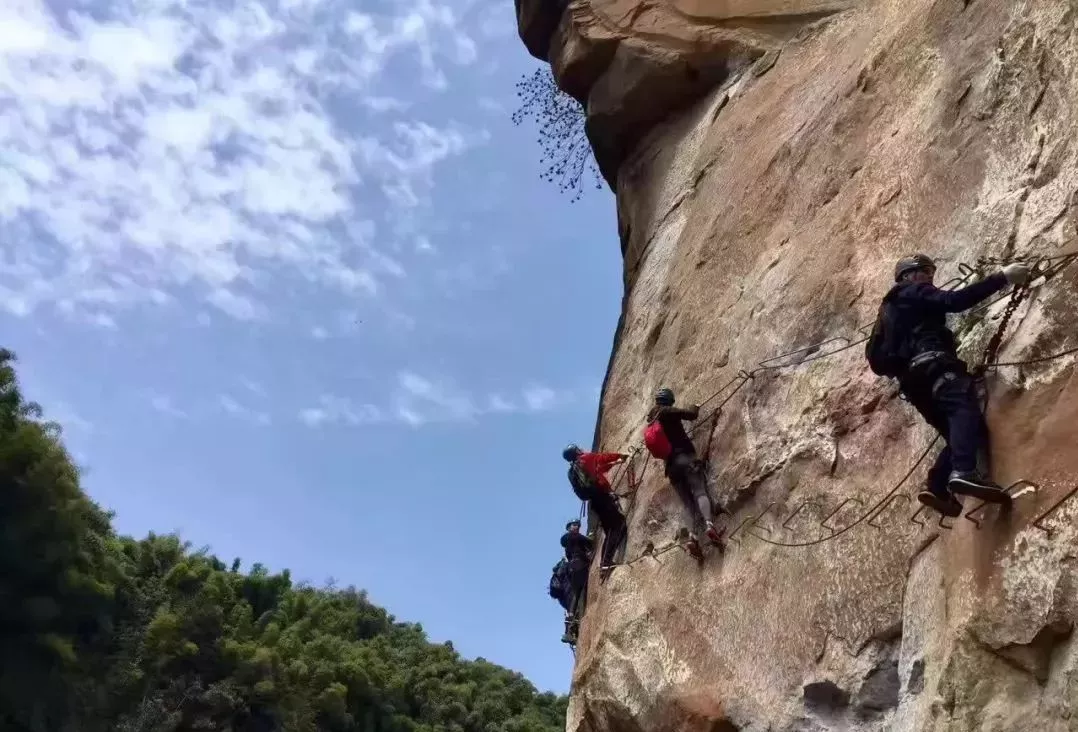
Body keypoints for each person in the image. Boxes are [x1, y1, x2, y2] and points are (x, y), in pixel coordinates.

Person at [868, 253, 1029, 516]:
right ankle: (964, 471)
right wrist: (1002, 278)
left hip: (914, 385)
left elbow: (879, 363)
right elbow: (953, 301)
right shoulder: (911, 291)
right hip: (935, 368)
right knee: (963, 411)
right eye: (925, 270)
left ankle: (937, 487)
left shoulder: (886, 315)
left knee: (960, 432)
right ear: (908, 276)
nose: (931, 276)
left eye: (932, 270)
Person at [644, 387, 725, 558]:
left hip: (671, 468)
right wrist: (695, 406)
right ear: (669, 400)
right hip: (685, 459)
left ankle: (692, 537)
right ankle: (710, 526)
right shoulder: (667, 411)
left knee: (688, 505)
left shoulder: (652, 419)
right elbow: (691, 414)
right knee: (700, 491)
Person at [563, 444, 628, 570]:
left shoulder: (573, 471)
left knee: (610, 529)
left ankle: (605, 560)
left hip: (594, 502)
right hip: (602, 497)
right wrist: (619, 455)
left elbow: (597, 470)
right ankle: (606, 561)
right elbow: (602, 458)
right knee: (618, 525)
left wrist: (615, 463)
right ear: (576, 451)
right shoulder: (585, 458)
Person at [559, 519, 592, 644]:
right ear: (569, 528)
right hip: (579, 565)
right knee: (581, 590)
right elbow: (589, 542)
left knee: (576, 593)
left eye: (578, 525)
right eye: (574, 525)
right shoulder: (573, 536)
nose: (577, 527)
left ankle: (572, 616)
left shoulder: (568, 541)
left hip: (572, 569)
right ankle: (574, 617)